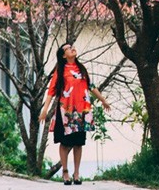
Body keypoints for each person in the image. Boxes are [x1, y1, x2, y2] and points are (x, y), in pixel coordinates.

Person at [39, 42, 111, 186]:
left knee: (78, 143)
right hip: (65, 111)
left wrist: (103, 100)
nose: (72, 48)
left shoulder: (81, 69)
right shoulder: (60, 70)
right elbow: (51, 91)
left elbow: (91, 86)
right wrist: (45, 109)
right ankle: (65, 173)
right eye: (68, 48)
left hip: (81, 111)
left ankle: (76, 173)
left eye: (72, 46)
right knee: (65, 143)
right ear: (64, 55)